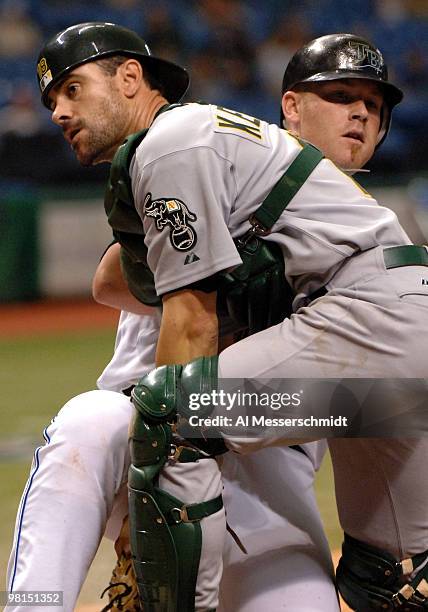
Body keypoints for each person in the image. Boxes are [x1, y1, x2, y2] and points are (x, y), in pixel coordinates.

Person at [5, 24, 339, 612]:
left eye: (370, 104)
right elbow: (112, 282)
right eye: (337, 99)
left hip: (266, 473)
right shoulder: (189, 166)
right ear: (287, 112)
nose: (356, 116)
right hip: (145, 437)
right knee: (90, 421)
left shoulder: (361, 242)